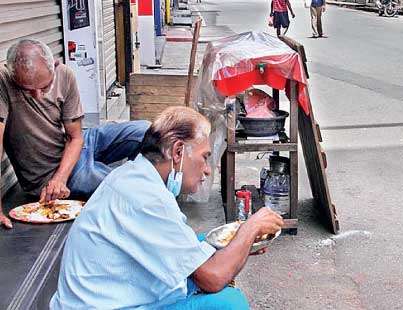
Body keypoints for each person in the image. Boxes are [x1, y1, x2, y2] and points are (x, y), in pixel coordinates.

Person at [50, 106, 285, 309]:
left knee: (203, 245)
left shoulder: (134, 176)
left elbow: (185, 246)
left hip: (107, 293)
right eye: (205, 157)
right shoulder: (146, 197)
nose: (207, 170)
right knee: (229, 304)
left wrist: (237, 245)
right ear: (178, 151)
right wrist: (249, 230)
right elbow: (213, 278)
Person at [0, 39, 150, 229]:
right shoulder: (3, 82)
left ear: (53, 65)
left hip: (77, 147)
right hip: (48, 174)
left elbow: (75, 137)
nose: (38, 96)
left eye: (45, 88)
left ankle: (139, 179)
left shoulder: (64, 74)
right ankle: (140, 191)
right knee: (126, 189)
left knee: (146, 130)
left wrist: (60, 179)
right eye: (28, 91)